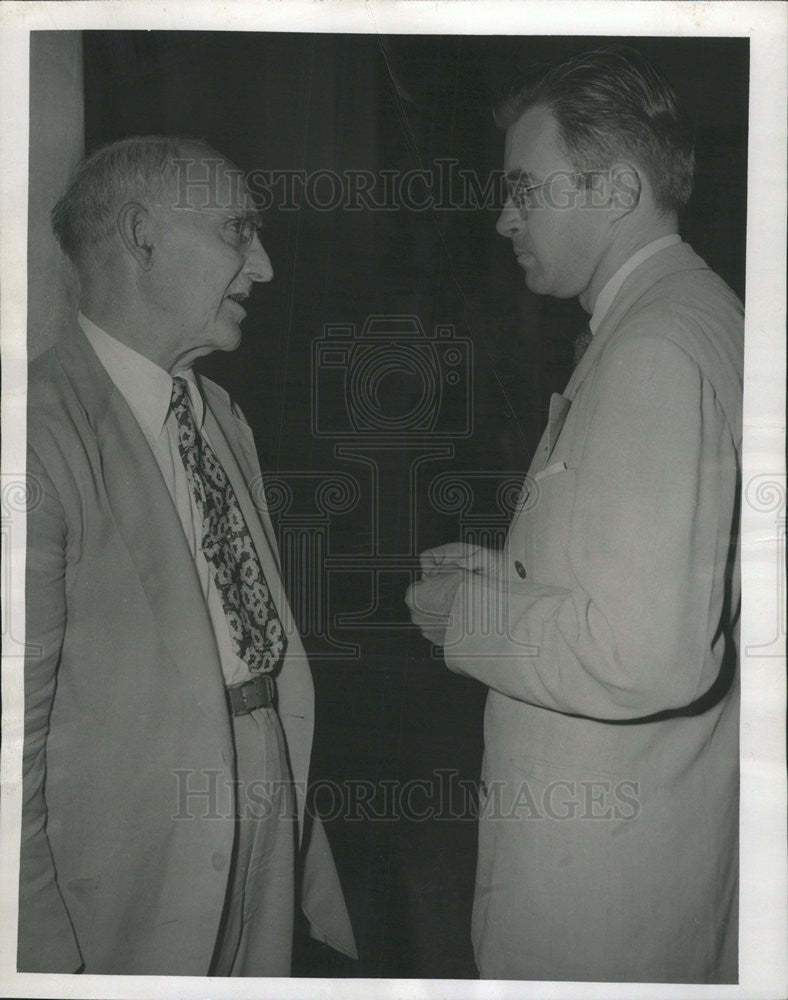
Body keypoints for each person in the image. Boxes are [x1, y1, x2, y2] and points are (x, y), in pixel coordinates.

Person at [406, 47, 742, 983]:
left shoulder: (653, 350)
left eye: (525, 188)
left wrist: (464, 618)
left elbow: (645, 658)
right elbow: (655, 584)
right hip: (650, 852)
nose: (503, 215)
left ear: (617, 188)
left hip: (601, 897)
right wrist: (508, 578)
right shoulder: (697, 314)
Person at [20, 135, 357, 975]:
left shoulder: (221, 416)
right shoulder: (31, 435)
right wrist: (36, 954)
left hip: (266, 810)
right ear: (142, 237)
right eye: (240, 231)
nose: (266, 267)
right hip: (126, 883)